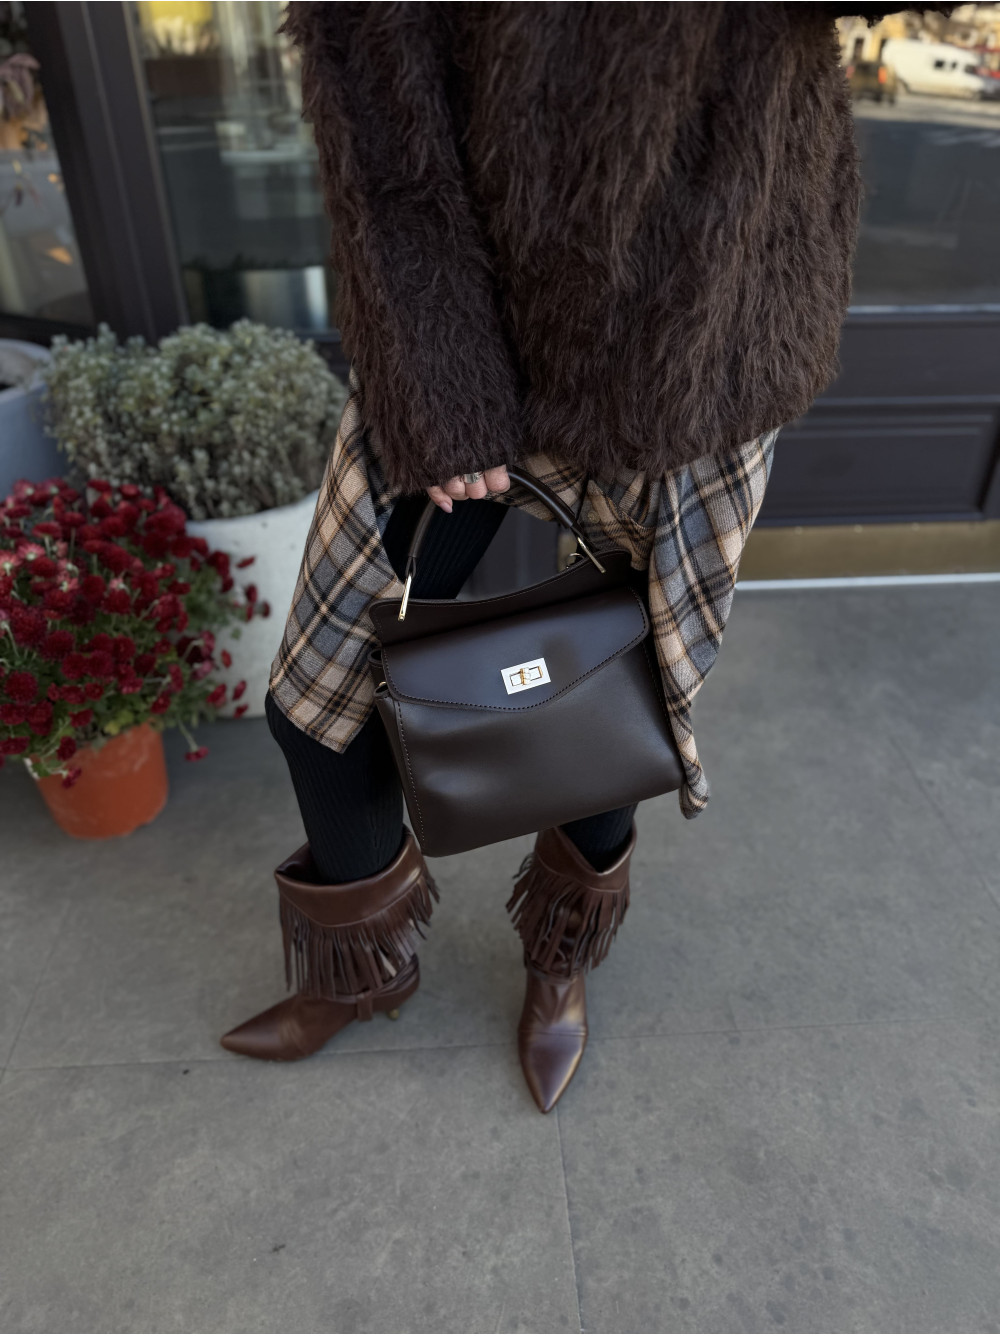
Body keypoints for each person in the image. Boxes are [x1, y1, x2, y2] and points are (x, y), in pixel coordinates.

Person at [220, 2, 921, 1112]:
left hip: (708, 336)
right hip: (474, 324)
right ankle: (360, 968)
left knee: (617, 703)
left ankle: (559, 959)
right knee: (318, 699)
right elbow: (380, 111)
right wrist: (438, 383)